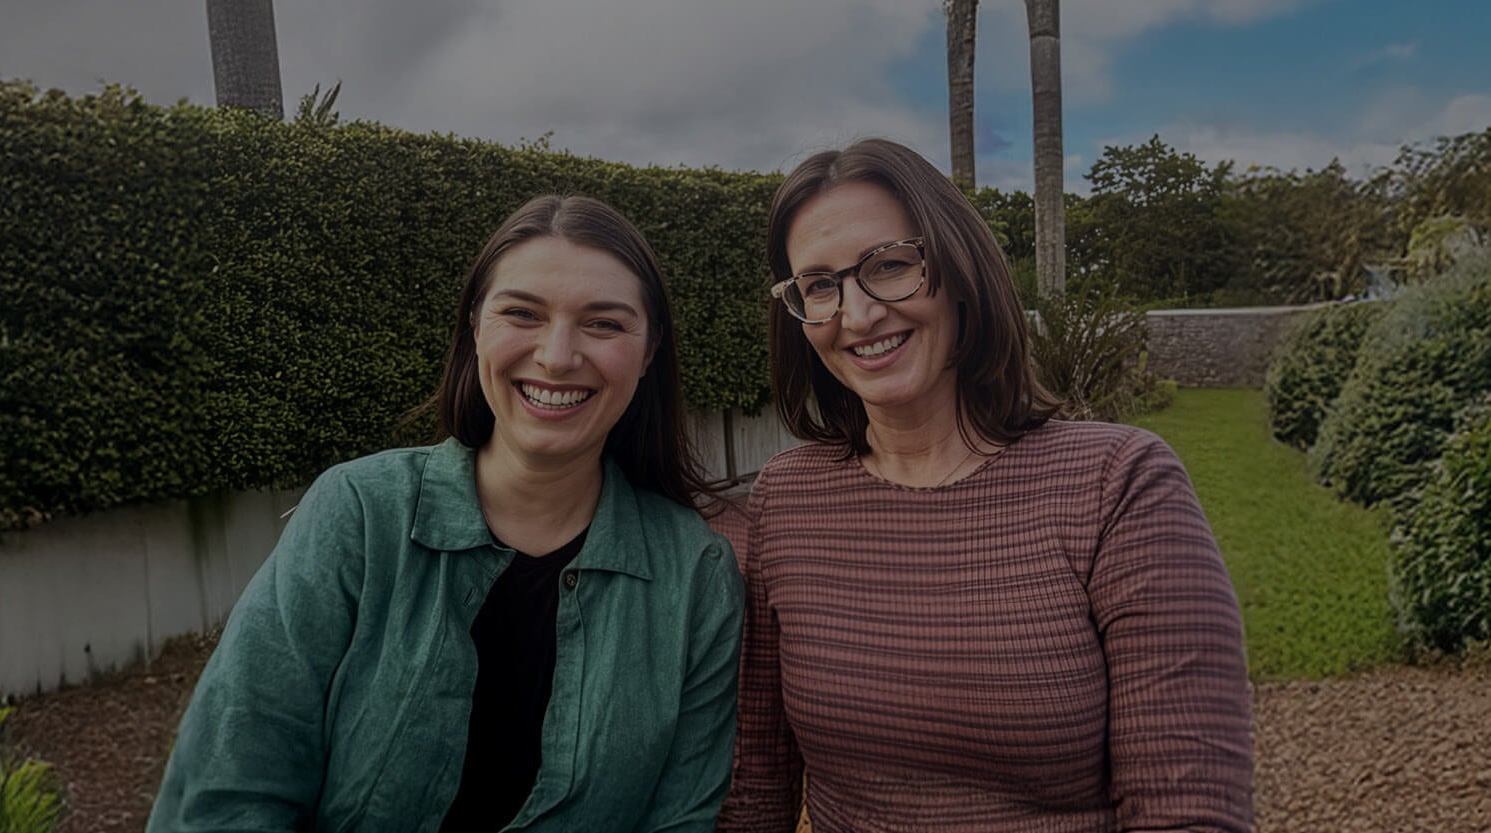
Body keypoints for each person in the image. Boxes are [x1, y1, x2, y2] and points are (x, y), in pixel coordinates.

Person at [147, 195, 743, 833]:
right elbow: (224, 796)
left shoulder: (696, 575)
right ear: (475, 327)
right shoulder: (358, 514)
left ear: (649, 352)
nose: (557, 355)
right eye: (522, 313)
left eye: (603, 323)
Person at [718, 138, 1253, 832]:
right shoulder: (787, 500)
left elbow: (1189, 810)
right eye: (820, 285)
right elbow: (756, 786)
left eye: (889, 265)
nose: (858, 314)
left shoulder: (1117, 484)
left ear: (960, 270)